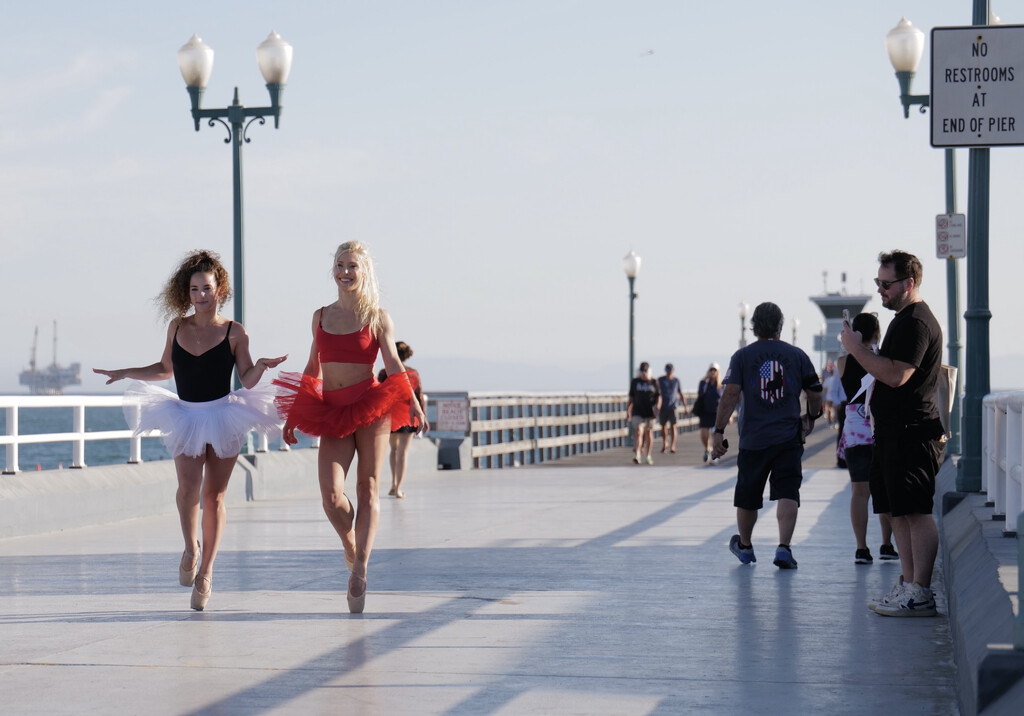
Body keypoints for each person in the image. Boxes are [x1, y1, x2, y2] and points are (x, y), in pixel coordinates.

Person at [93, 249, 287, 611]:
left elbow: (245, 380)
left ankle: (208, 571)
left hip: (225, 415)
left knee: (214, 497)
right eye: (195, 289)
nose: (201, 295)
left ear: (220, 289)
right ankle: (190, 547)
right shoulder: (177, 327)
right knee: (187, 491)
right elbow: (166, 368)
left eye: (207, 288)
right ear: (187, 292)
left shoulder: (234, 332)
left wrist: (260, 365)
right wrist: (125, 372)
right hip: (184, 414)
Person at [274, 241, 428, 614]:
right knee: (331, 496)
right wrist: (295, 412)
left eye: (352, 266)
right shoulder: (320, 316)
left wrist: (415, 404)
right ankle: (350, 543)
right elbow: (313, 367)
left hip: (370, 408)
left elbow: (392, 364)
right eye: (340, 265)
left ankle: (359, 570)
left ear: (364, 271)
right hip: (332, 410)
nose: (345, 271)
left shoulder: (377, 316)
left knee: (369, 488)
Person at [840, 251, 944, 617]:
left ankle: (921, 590)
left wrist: (856, 350)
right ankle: (909, 583)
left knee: (915, 510)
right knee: (896, 510)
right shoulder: (903, 320)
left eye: (886, 284)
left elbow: (897, 374)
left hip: (912, 431)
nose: (880, 290)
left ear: (908, 283)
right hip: (891, 432)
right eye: (877, 284)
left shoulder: (916, 321)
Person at [712, 302, 822, 569]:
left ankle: (746, 547)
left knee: (748, 495)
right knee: (787, 491)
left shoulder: (742, 357)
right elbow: (815, 391)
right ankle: (784, 548)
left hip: (753, 438)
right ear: (780, 326)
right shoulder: (797, 355)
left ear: (754, 326)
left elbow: (729, 394)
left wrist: (718, 430)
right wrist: (812, 415)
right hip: (788, 437)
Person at [837, 313, 897, 565]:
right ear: (876, 333)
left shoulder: (842, 362)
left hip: (854, 429)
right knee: (885, 488)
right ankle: (886, 543)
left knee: (859, 492)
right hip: (878, 427)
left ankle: (861, 548)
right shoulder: (883, 360)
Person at [377, 341, 425, 499]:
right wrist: (423, 414)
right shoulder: (414, 373)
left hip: (390, 416)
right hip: (408, 415)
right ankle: (399, 487)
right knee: (403, 452)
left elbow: (379, 393)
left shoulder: (384, 373)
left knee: (394, 449)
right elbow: (418, 396)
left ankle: (393, 483)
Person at [626, 362, 660, 465]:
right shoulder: (635, 382)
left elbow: (659, 396)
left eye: (645, 371)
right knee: (638, 431)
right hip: (637, 411)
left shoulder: (654, 382)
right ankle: (637, 454)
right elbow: (631, 397)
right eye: (642, 371)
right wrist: (628, 411)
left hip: (650, 412)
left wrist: (657, 407)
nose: (644, 373)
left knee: (649, 433)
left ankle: (648, 455)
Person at [657, 363, 689, 454]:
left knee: (673, 426)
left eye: (670, 370)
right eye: (667, 370)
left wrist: (685, 406)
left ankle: (673, 446)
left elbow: (681, 393)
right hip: (663, 406)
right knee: (663, 426)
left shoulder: (676, 381)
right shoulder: (660, 380)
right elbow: (656, 393)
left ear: (673, 370)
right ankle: (665, 444)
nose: (669, 371)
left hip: (673, 406)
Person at [695, 364, 722, 464]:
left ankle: (715, 453)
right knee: (704, 433)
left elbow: (725, 400)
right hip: (705, 412)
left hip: (717, 413)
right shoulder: (703, 383)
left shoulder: (721, 385)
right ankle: (707, 449)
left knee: (715, 434)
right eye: (711, 370)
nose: (712, 372)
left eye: (714, 370)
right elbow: (701, 393)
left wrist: (729, 415)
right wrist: (706, 380)